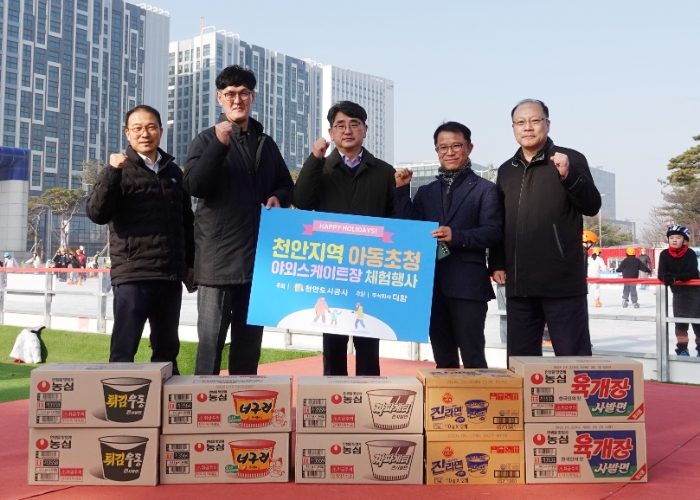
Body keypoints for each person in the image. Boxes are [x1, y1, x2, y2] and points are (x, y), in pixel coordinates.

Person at [183, 65, 293, 376]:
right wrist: (219, 145)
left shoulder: (265, 144)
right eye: (230, 94)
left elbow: (286, 184)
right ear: (219, 97)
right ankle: (205, 406)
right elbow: (194, 185)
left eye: (244, 93)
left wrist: (278, 197)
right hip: (217, 266)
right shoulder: (206, 140)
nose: (237, 100)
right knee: (209, 350)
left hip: (257, 264)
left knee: (248, 351)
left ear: (253, 97)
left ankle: (245, 405)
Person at [86, 104, 195, 374]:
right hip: (133, 275)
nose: (144, 133)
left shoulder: (174, 172)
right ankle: (119, 399)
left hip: (169, 276)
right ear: (128, 133)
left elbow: (186, 222)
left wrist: (190, 264)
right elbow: (97, 214)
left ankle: (165, 399)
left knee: (167, 351)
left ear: (160, 131)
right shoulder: (118, 170)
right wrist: (111, 172)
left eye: (151, 127)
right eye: (137, 128)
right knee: (124, 351)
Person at [489, 99, 601, 360]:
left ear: (547, 124)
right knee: (520, 360)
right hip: (519, 283)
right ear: (513, 128)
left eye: (534, 121)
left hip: (561, 281)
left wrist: (568, 175)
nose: (527, 127)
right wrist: (497, 262)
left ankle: (576, 391)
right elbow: (499, 221)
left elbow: (591, 206)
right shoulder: (506, 170)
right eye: (520, 122)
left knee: (573, 358)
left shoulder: (569, 159)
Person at [292, 100, 395, 376]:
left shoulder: (385, 172)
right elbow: (301, 202)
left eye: (354, 124)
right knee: (333, 342)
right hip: (333, 270)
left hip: (370, 270)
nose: (347, 130)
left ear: (365, 129)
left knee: (368, 341)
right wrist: (315, 158)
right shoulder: (321, 168)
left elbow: (396, 220)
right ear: (331, 132)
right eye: (340, 125)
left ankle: (367, 394)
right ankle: (333, 396)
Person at [395, 121, 503, 368]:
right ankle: (446, 395)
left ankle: (479, 395)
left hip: (468, 285)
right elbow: (410, 229)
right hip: (432, 285)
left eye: (456, 145)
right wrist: (402, 190)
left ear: (469, 148)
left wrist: (457, 236)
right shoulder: (425, 192)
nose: (450, 152)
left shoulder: (486, 190)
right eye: (443, 147)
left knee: (473, 356)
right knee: (443, 358)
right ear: (437, 151)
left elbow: (494, 232)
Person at [658, 225, 700, 356]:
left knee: (698, 323)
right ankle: (682, 349)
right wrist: (665, 277)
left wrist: (675, 277)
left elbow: (692, 273)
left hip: (695, 293)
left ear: (685, 241)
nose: (674, 240)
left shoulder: (690, 253)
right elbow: (661, 272)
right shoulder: (664, 254)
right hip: (679, 294)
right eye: (671, 238)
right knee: (681, 324)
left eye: (678, 237)